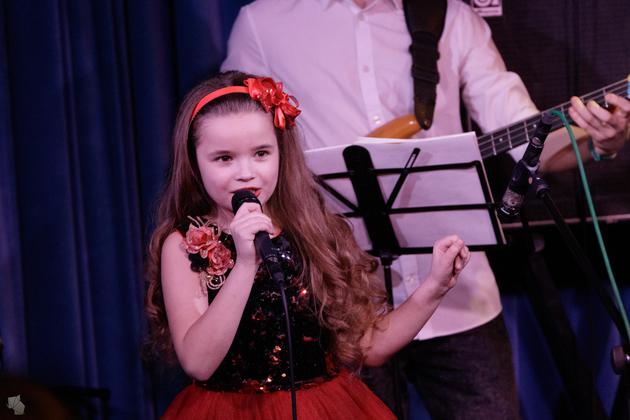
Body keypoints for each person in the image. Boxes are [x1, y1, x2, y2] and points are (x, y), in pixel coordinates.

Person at [220, 0, 630, 418]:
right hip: (338, 300)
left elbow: (528, 139)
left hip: (458, 290)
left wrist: (598, 142)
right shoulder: (263, 22)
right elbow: (232, 144)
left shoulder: (451, 16)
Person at [144, 70, 471, 419]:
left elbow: (369, 346)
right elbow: (198, 363)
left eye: (261, 153)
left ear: (281, 153)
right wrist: (245, 263)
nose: (245, 172)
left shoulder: (311, 229)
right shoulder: (185, 244)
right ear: (195, 163)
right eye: (224, 158)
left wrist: (434, 288)